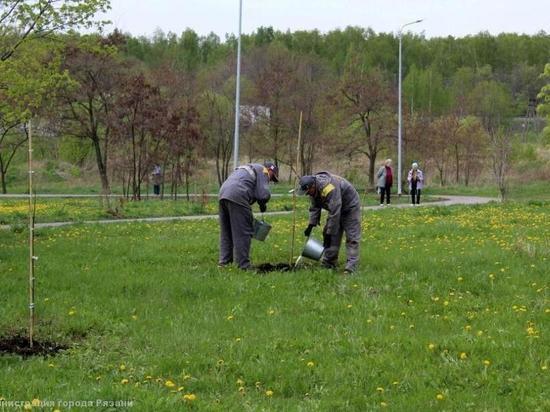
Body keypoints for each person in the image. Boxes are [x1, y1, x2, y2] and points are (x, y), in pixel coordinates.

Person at [218, 162, 279, 270]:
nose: (270, 181)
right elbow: (263, 195)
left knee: (226, 231)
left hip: (223, 193)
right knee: (243, 232)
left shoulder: (248, 167)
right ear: (270, 170)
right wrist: (263, 204)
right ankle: (243, 265)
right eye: (272, 177)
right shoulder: (263, 170)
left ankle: (224, 263)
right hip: (238, 194)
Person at [298, 172, 361, 274]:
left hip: (350, 207)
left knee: (352, 237)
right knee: (331, 236)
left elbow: (335, 212)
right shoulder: (313, 189)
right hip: (335, 208)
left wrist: (329, 232)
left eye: (308, 191)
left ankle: (351, 267)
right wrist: (311, 224)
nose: (307, 194)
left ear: (312, 186)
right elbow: (314, 207)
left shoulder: (328, 187)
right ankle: (329, 263)